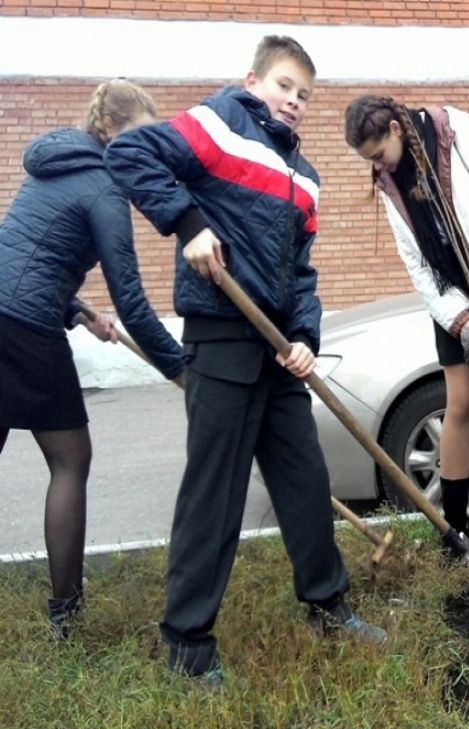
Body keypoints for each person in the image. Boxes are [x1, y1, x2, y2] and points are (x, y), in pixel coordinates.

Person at [105, 36, 386, 682]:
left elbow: (303, 275)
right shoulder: (218, 123)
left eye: (304, 95)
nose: (294, 101)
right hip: (223, 337)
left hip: (278, 349)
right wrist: (187, 223)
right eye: (284, 86)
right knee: (216, 494)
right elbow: (130, 153)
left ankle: (327, 602)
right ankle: (187, 642)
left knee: (306, 482)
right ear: (253, 80)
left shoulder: (305, 179)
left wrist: (307, 334)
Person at [0, 79, 183, 639]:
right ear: (109, 130)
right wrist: (181, 367)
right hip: (25, 331)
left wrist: (79, 312)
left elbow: (32, 254)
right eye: (139, 136)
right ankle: (66, 613)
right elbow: (132, 298)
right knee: (71, 461)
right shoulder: (105, 188)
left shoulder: (53, 165)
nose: (144, 150)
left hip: (12, 313)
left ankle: (65, 608)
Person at [344, 94, 469, 552]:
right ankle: (453, 532)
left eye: (379, 154)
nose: (378, 166)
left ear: (396, 131)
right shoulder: (389, 182)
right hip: (451, 301)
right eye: (370, 161)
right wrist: (458, 318)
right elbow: (416, 261)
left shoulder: (454, 133)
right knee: (460, 404)